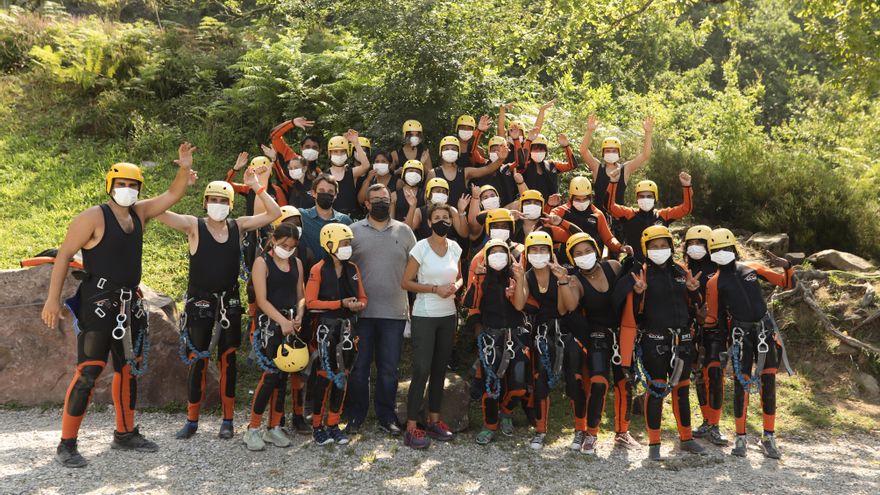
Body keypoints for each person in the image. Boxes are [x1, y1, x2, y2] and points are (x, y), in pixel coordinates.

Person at [42, 143, 197, 468]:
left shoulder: (139, 213)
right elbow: (65, 255)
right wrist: (52, 299)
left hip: (128, 304)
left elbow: (171, 196)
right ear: (111, 186)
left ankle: (124, 433)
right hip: (97, 302)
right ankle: (66, 444)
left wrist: (184, 169)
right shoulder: (93, 217)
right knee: (89, 371)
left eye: (133, 185)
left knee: (127, 370)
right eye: (122, 185)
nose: (127, 190)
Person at [157, 170, 281, 441]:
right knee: (198, 360)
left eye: (223, 200)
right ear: (204, 202)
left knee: (229, 360)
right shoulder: (193, 225)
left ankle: (227, 420)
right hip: (200, 301)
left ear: (231, 205)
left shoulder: (239, 226)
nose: (218, 205)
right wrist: (180, 185)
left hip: (230, 301)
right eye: (213, 199)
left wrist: (257, 187)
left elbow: (274, 213)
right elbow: (158, 212)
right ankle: (191, 421)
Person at [703, 228, 795, 459]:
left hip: (764, 331)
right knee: (742, 385)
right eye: (716, 250)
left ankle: (769, 437)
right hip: (740, 334)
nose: (721, 253)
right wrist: (700, 320)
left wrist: (787, 265)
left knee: (769, 383)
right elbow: (714, 318)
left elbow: (786, 283)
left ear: (733, 248)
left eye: (725, 249)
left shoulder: (752, 267)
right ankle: (740, 437)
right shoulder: (714, 283)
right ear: (711, 254)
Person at [618, 225, 706, 461]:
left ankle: (686, 438)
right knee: (656, 389)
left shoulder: (681, 270)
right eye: (654, 246)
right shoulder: (641, 273)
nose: (660, 250)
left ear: (671, 246)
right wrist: (637, 293)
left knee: (682, 388)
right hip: (654, 340)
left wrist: (694, 292)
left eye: (664, 245)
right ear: (646, 249)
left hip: (682, 338)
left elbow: (696, 306)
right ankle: (654, 443)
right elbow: (632, 315)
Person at [346, 184, 417, 435]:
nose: (380, 203)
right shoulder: (353, 231)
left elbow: (415, 268)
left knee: (389, 369)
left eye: (384, 199)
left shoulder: (405, 231)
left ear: (391, 202)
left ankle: (386, 417)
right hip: (361, 314)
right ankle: (356, 416)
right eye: (375, 199)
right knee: (359, 368)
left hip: (394, 313)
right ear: (366, 204)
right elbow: (343, 270)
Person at [566, 233, 640, 454]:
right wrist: (564, 283)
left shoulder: (614, 267)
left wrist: (638, 290)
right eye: (578, 254)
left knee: (625, 383)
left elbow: (630, 287)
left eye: (587, 251)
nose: (584, 256)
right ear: (572, 258)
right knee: (598, 382)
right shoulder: (575, 281)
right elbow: (570, 306)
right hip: (597, 334)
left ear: (596, 251)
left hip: (622, 332)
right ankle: (591, 433)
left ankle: (622, 432)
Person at [400, 203, 463, 449]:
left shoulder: (455, 247)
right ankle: (412, 427)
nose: (442, 221)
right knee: (422, 369)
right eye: (437, 217)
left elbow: (460, 277)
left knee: (439, 370)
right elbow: (406, 282)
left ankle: (435, 421)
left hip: (448, 315)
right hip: (425, 314)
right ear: (429, 222)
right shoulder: (420, 247)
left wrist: (454, 288)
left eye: (446, 217)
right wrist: (436, 289)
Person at [244, 223, 306, 451]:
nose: (287, 249)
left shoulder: (297, 263)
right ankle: (253, 428)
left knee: (284, 376)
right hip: (270, 324)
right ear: (273, 240)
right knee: (270, 375)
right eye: (283, 245)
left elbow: (301, 294)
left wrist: (299, 314)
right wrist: (282, 321)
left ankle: (274, 426)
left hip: (290, 323)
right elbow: (261, 299)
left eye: (292, 246)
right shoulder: (262, 263)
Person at [305, 224, 367, 446]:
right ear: (329, 244)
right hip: (326, 329)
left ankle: (333, 424)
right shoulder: (318, 269)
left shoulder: (353, 269)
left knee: (343, 375)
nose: (347, 247)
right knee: (324, 375)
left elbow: (363, 297)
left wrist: (359, 305)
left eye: (349, 243)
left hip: (348, 328)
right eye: (343, 243)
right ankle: (317, 426)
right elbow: (311, 302)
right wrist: (339, 303)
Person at [463, 240, 528, 445]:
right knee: (491, 386)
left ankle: (506, 411)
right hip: (491, 337)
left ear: (509, 255)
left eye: (502, 252)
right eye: (493, 252)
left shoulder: (516, 275)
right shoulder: (482, 277)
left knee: (519, 386)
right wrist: (478, 279)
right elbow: (469, 303)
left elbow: (520, 305)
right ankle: (489, 425)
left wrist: (519, 280)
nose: (498, 255)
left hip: (516, 337)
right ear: (486, 256)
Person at [520, 231, 578, 449]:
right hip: (541, 333)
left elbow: (568, 307)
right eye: (533, 250)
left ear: (550, 251)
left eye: (543, 249)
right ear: (527, 253)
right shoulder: (526, 276)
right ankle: (540, 429)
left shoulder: (562, 272)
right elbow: (519, 304)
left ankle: (580, 430)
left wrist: (563, 280)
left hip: (566, 330)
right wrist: (517, 279)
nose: (538, 253)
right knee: (540, 379)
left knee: (574, 379)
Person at [680, 226, 725, 446]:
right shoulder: (682, 268)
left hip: (716, 329)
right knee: (698, 375)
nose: (695, 247)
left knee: (715, 374)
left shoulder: (720, 268)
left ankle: (715, 424)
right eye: (691, 243)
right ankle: (706, 420)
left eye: (700, 242)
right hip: (692, 329)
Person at [606, 168, 693, 262]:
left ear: (655, 198)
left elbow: (685, 209)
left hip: (660, 263)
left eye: (649, 196)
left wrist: (687, 186)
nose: (645, 199)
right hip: (635, 264)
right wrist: (613, 182)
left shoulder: (664, 215)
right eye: (641, 196)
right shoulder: (629, 214)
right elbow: (609, 206)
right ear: (637, 198)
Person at [579, 115, 653, 220]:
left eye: (614, 151)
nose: (611, 153)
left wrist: (648, 133)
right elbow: (583, 151)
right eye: (608, 150)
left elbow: (645, 155)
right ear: (603, 153)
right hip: (598, 218)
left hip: (619, 217)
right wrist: (589, 130)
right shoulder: (597, 168)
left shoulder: (626, 169)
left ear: (619, 153)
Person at [550, 176, 632, 258]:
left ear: (590, 197)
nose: (581, 202)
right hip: (566, 259)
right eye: (578, 199)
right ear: (571, 197)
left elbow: (608, 238)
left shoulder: (597, 214)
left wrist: (620, 247)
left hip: (591, 260)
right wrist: (549, 206)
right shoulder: (559, 211)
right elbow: (548, 227)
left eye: (585, 199)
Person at [426, 135, 505, 206]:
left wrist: (500, 159)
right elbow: (426, 198)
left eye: (453, 149)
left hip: (463, 218)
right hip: (440, 216)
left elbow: (487, 169)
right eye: (446, 149)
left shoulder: (466, 172)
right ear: (441, 152)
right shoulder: (433, 173)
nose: (450, 151)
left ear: (458, 152)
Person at [297, 174, 353, 271]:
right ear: (313, 193)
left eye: (330, 192)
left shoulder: (345, 221)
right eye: (321, 191)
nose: (326, 194)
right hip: (308, 276)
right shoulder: (301, 216)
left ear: (335, 195)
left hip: (337, 276)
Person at [516, 126, 577, 199]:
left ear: (545, 151)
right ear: (530, 151)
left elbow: (572, 165)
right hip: (531, 204)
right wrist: (528, 141)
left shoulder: (551, 164)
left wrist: (566, 146)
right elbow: (521, 163)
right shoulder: (525, 166)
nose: (538, 152)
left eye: (541, 149)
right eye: (535, 149)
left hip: (551, 205)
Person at [325, 130, 371, 217]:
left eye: (342, 151)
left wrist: (356, 143)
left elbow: (366, 165)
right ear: (329, 153)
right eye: (335, 151)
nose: (339, 154)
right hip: (332, 218)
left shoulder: (352, 172)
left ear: (347, 153)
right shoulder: (324, 175)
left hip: (351, 218)